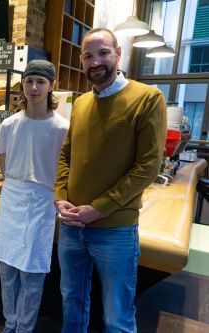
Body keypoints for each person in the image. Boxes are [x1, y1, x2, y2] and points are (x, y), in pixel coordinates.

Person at [55, 28, 167, 333]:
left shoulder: (147, 98)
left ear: (119, 54)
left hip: (115, 229)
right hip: (71, 226)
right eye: (88, 56)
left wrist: (99, 208)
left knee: (117, 314)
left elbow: (148, 165)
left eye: (103, 53)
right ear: (80, 60)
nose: (96, 62)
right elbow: (67, 156)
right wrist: (60, 197)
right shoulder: (80, 104)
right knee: (71, 300)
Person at [0, 59, 69, 333]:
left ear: (52, 86)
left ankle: (24, 327)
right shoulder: (10, 124)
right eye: (29, 81)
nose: (34, 87)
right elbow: (2, 163)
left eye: (40, 82)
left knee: (32, 272)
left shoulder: (62, 128)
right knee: (7, 271)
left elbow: (64, 170)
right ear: (22, 85)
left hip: (43, 201)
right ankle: (9, 322)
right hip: (11, 197)